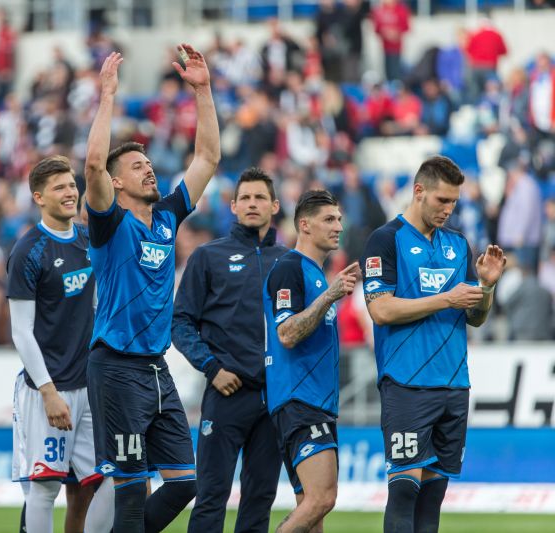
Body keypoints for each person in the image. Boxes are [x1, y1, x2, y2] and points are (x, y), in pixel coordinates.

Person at [83, 45, 220, 532]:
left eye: (147, 161)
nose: (148, 168)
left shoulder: (166, 217)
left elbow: (207, 157)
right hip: (116, 368)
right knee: (131, 492)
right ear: (116, 184)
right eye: (136, 165)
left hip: (156, 368)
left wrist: (203, 91)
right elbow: (94, 164)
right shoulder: (109, 223)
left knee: (185, 482)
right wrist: (107, 95)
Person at [360, 155, 505, 533]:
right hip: (407, 384)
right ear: (419, 191)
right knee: (404, 492)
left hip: (454, 385)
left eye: (454, 201)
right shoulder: (385, 239)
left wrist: (486, 286)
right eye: (442, 200)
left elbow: (475, 316)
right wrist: (447, 299)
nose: (449, 209)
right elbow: (381, 310)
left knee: (433, 500)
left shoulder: (458, 244)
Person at [172, 167, 286, 532]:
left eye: (260, 198)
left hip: (275, 398)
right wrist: (211, 368)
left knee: (260, 499)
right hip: (226, 392)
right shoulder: (208, 257)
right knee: (210, 496)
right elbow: (180, 322)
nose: (253, 204)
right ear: (233, 206)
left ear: (275, 205)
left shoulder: (291, 261)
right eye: (246, 198)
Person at [6, 155, 111, 533]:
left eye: (71, 184)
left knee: (109, 483)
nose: (70, 193)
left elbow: (99, 305)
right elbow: (21, 330)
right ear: (38, 197)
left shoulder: (87, 239)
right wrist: (49, 391)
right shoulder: (28, 252)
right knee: (45, 488)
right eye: (59, 187)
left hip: (90, 386)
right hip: (46, 390)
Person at [263, 190, 360, 533]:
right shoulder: (290, 269)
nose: (338, 226)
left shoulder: (315, 273)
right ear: (305, 225)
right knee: (322, 498)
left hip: (313, 402)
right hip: (299, 400)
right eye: (329, 219)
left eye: (339, 219)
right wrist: (331, 294)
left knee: (312, 512)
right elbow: (287, 333)